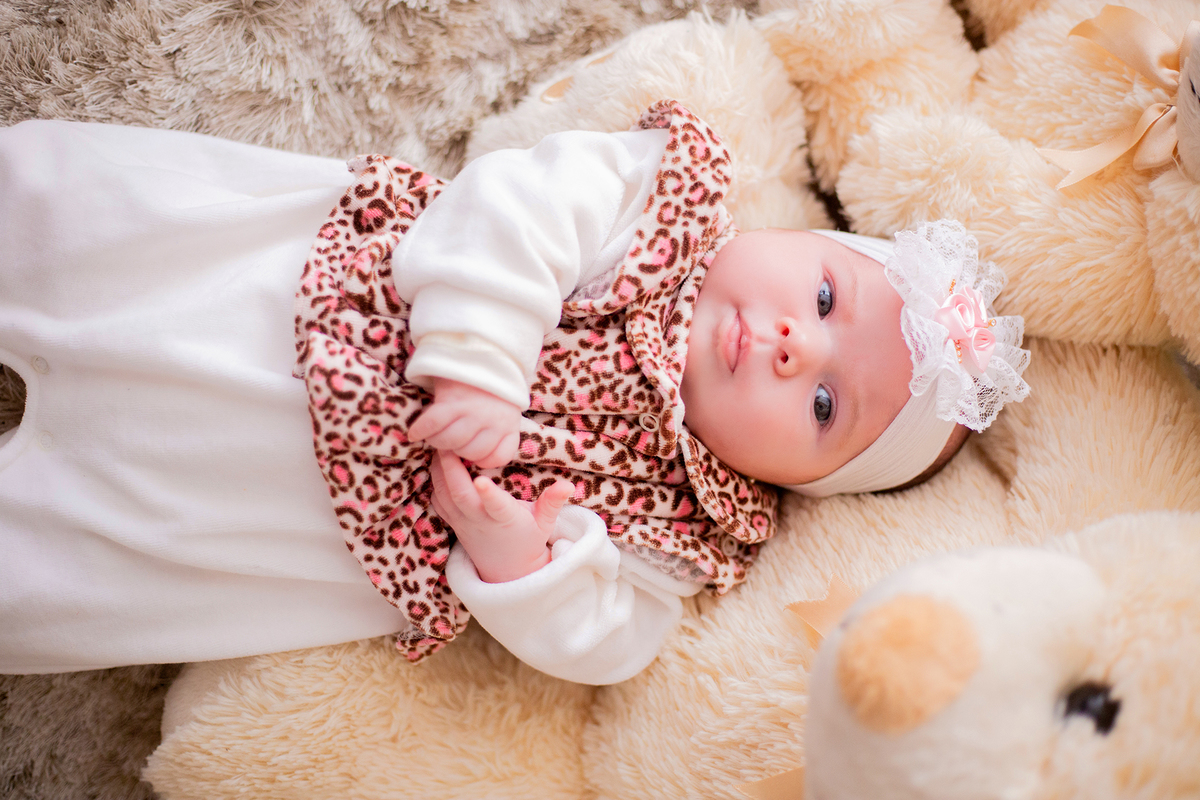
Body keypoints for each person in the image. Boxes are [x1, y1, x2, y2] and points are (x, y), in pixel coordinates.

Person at [0, 101, 1029, 680]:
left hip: (303, 514)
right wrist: (481, 358)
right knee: (119, 263)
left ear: (799, 482)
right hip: (320, 301)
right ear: (803, 238)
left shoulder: (688, 527)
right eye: (824, 294)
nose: (796, 345)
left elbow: (609, 643)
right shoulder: (660, 214)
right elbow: (520, 203)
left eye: (824, 408)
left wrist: (521, 558)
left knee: (90, 541)